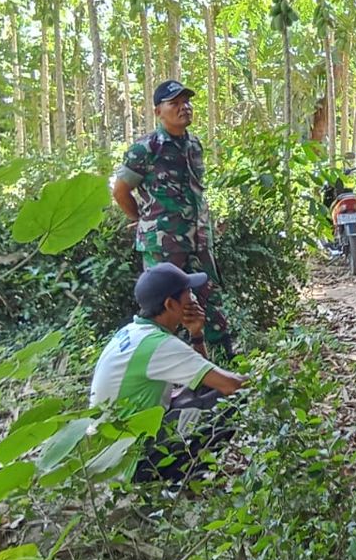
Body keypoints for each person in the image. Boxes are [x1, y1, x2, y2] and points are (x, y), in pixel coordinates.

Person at [90, 263, 246, 483]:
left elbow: (202, 379)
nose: (193, 299)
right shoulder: (159, 345)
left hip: (110, 456)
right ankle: (180, 479)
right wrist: (268, 381)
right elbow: (231, 385)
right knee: (236, 399)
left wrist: (196, 334)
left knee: (197, 395)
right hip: (132, 461)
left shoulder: (132, 332)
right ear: (170, 304)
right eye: (188, 294)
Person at [113, 79, 235, 358]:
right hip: (163, 246)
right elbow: (121, 191)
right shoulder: (146, 148)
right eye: (175, 104)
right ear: (159, 111)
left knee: (210, 301)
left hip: (199, 241)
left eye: (187, 102)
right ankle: (161, 366)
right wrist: (144, 221)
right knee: (164, 307)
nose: (184, 108)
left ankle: (223, 365)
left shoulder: (193, 144)